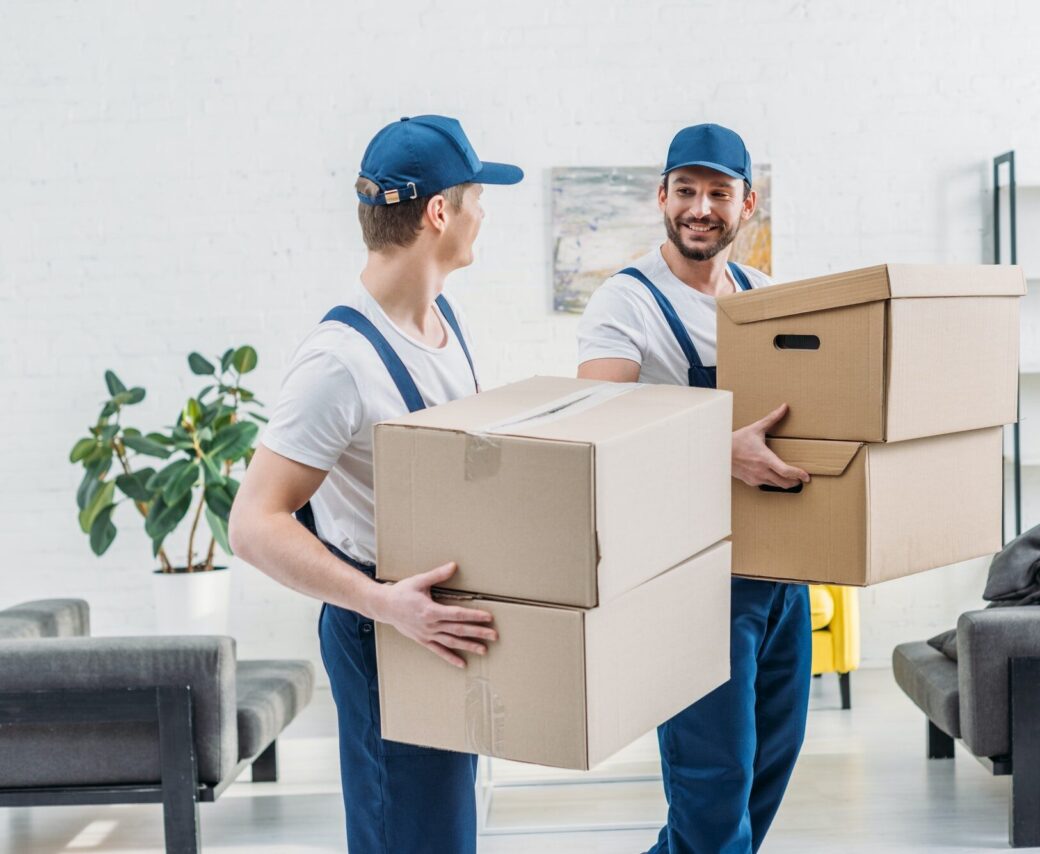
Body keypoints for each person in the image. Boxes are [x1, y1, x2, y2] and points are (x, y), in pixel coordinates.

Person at [229, 114, 522, 854]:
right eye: (477, 197)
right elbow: (254, 523)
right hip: (382, 627)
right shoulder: (339, 362)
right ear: (438, 213)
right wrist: (385, 606)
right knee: (410, 838)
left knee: (446, 835)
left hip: (434, 624)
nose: (484, 212)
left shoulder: (440, 323)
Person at [577, 123, 812, 853]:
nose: (700, 208)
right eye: (686, 190)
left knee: (765, 774)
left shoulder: (767, 298)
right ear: (662, 197)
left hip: (780, 575)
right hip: (690, 583)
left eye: (718, 192)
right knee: (713, 798)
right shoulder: (627, 304)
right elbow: (594, 430)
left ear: (749, 204)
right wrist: (717, 449)